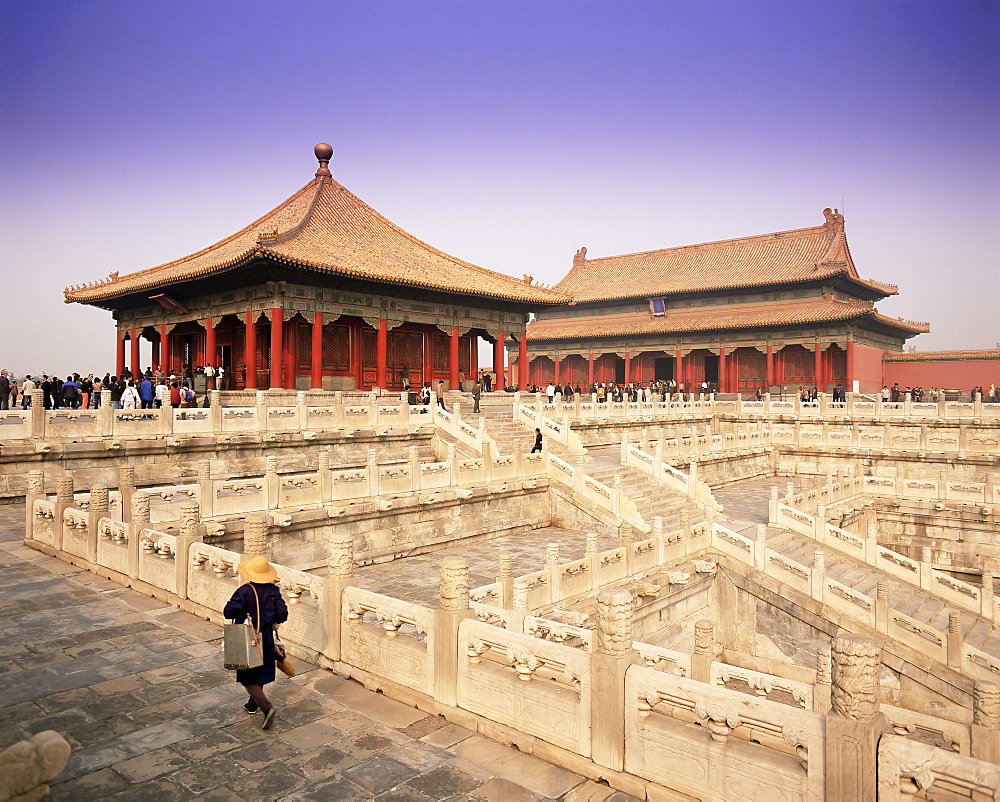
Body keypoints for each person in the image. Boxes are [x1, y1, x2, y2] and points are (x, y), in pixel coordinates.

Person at [223, 556, 288, 731]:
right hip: (266, 637)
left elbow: (228, 612)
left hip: (247, 638)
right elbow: (282, 614)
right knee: (259, 671)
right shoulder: (274, 591)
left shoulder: (244, 591)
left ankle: (267, 708)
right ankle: (252, 704)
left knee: (247, 677)